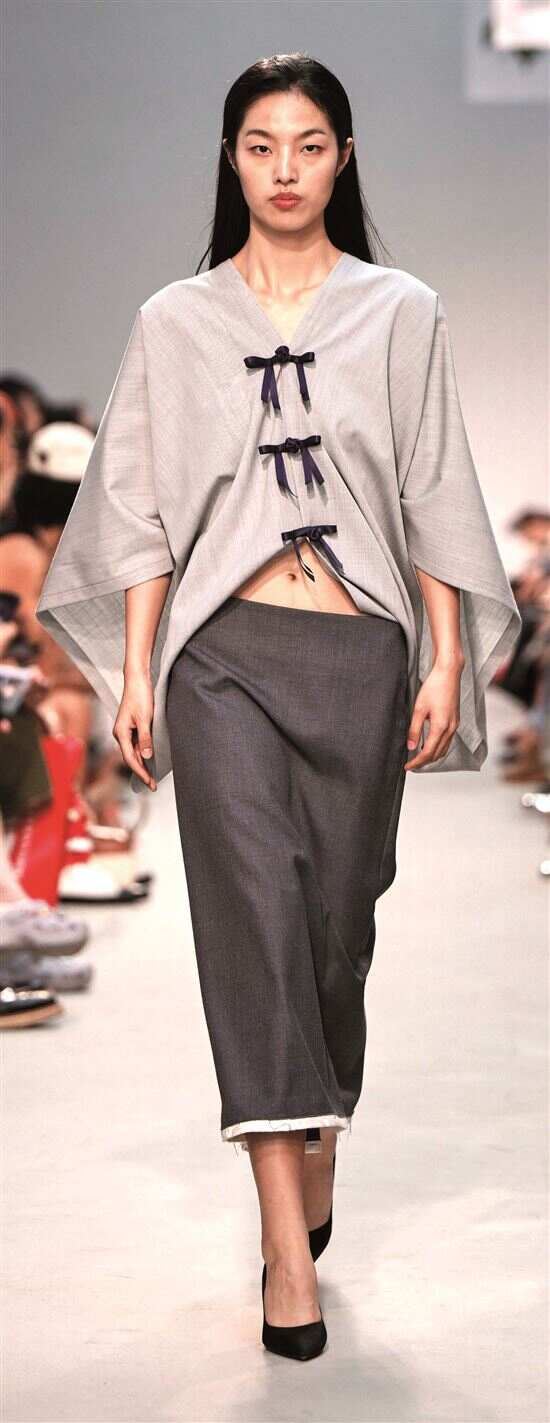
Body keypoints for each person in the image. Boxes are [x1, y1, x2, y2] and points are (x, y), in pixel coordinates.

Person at [35, 53, 522, 1360]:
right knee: (249, 928)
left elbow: (430, 481)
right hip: (222, 658)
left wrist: (442, 656)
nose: (286, 168)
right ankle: (280, 1247)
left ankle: (319, 1126)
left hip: (358, 653)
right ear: (231, 160)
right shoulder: (175, 322)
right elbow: (140, 504)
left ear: (343, 158)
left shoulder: (401, 312)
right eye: (261, 145)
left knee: (333, 931)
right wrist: (141, 668)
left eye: (309, 144)